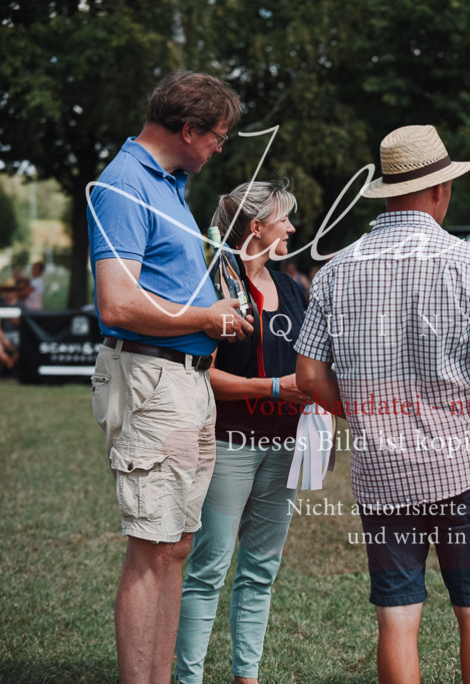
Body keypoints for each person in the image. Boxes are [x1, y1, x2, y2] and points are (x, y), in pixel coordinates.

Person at [295, 124, 470, 684]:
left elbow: (309, 376)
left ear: (387, 191)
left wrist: (361, 411)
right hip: (464, 465)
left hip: (381, 469)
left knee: (397, 616)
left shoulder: (335, 270)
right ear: (440, 190)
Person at [87, 70, 250, 684]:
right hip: (154, 387)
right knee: (151, 551)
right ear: (188, 130)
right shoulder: (125, 185)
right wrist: (204, 315)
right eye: (217, 137)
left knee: (177, 543)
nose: (218, 148)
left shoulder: (170, 184)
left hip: (186, 385)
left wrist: (212, 321)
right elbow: (116, 304)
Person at [175, 181, 312, 684]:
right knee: (209, 570)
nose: (293, 229)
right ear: (256, 228)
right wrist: (274, 387)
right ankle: (189, 678)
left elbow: (308, 365)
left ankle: (245, 677)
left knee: (261, 571)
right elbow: (199, 371)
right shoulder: (214, 285)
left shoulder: (292, 287)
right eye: (284, 220)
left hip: (286, 445)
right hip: (228, 442)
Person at [0, 279, 24, 375]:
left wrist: (17, 321)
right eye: (7, 290)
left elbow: (26, 325)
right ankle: (10, 366)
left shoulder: (21, 306)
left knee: (26, 347)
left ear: (15, 291)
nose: (9, 292)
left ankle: (8, 368)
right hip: (3, 334)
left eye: (12, 290)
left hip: (17, 334)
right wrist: (3, 339)